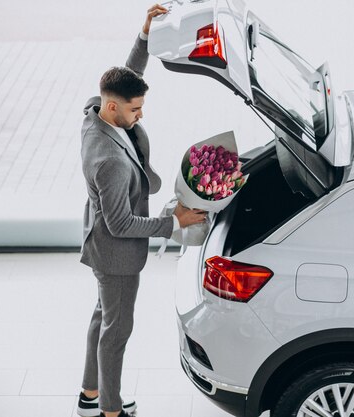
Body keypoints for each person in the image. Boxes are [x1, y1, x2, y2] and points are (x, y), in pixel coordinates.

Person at [77, 5, 207, 417]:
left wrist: (145, 35)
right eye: (135, 110)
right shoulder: (109, 160)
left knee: (102, 318)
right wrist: (174, 223)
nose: (141, 114)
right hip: (115, 255)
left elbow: (125, 76)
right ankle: (110, 411)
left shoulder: (95, 112)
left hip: (100, 245)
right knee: (116, 332)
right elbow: (121, 224)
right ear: (114, 109)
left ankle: (90, 395)